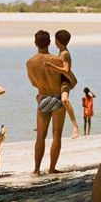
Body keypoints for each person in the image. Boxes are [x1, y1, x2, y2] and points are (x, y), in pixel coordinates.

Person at [26, 30, 67, 175]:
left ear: (35, 43)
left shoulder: (30, 63)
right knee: (57, 135)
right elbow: (67, 79)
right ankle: (51, 168)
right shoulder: (56, 60)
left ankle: (36, 169)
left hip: (43, 99)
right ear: (49, 42)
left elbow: (33, 83)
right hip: (56, 98)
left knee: (40, 136)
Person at [44, 29, 80, 139]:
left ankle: (75, 126)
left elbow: (66, 70)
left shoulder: (65, 53)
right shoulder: (61, 52)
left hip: (66, 80)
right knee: (43, 97)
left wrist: (51, 66)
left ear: (59, 41)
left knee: (65, 100)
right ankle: (43, 125)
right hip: (59, 80)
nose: (55, 42)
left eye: (56, 40)